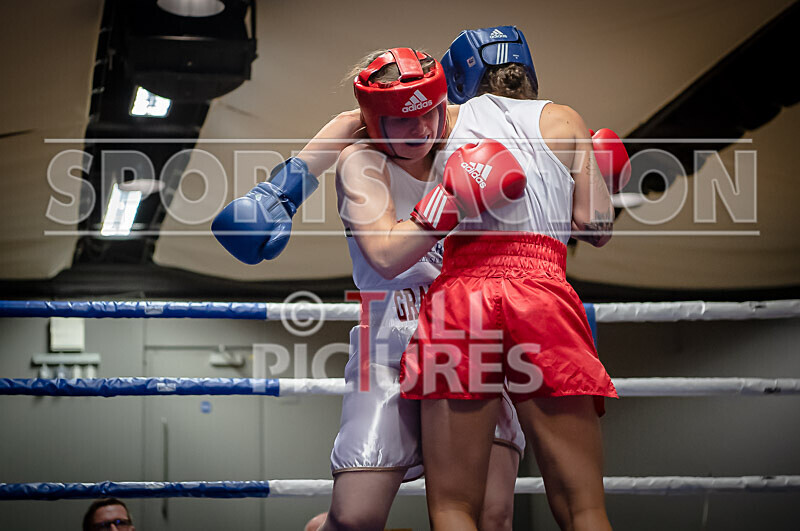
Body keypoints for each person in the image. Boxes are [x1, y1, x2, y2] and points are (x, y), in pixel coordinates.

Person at [213, 48, 525, 531]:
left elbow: (523, 126)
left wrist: (581, 165)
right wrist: (453, 198)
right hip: (389, 342)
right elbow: (385, 254)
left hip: (470, 336)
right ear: (373, 122)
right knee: (355, 518)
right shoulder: (360, 159)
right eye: (402, 119)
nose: (420, 129)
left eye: (429, 113)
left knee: (493, 515)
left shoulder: (464, 141)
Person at [397, 27, 623, 530]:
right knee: (584, 508)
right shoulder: (565, 119)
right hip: (543, 291)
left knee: (453, 507)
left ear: (457, 78)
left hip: (463, 295)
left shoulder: (443, 120)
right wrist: (600, 181)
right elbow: (597, 228)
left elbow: (377, 134)